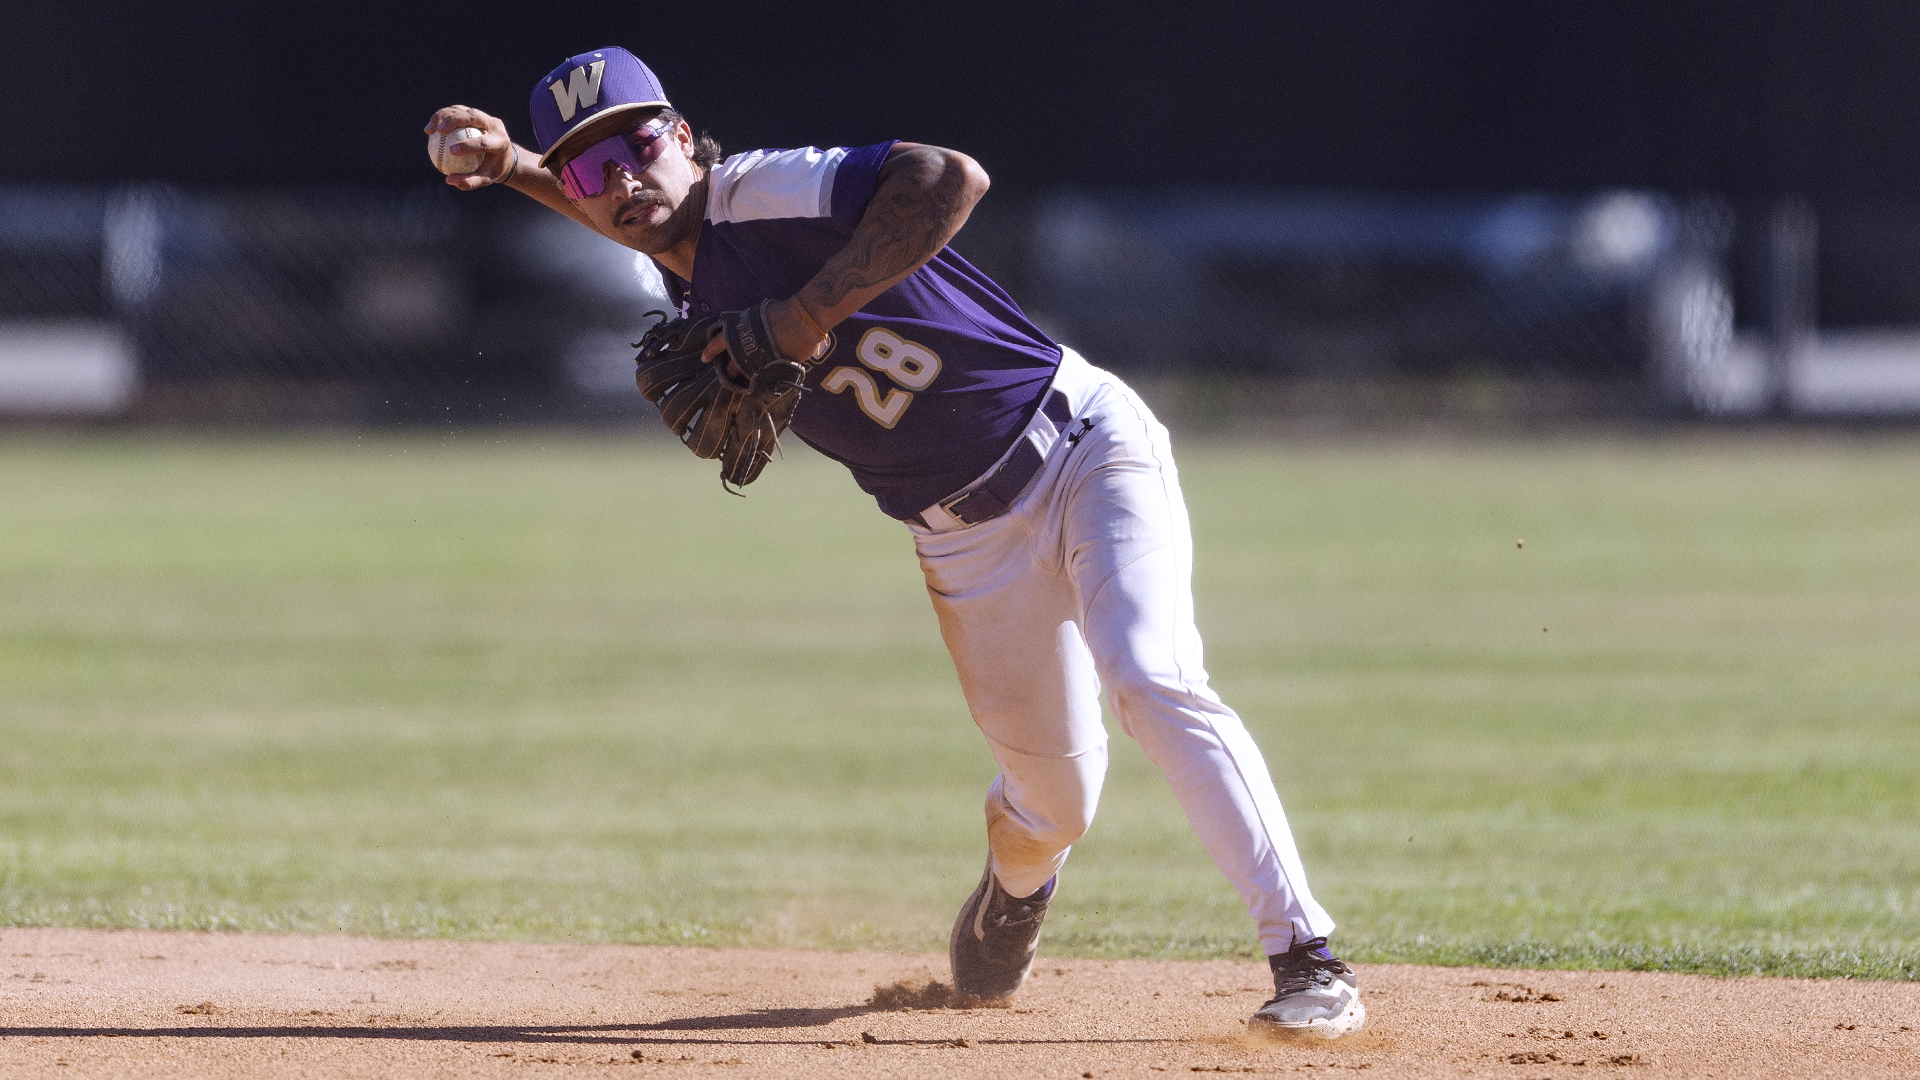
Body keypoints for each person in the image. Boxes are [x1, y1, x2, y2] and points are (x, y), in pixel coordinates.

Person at [425, 46, 1364, 1038]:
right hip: (962, 540)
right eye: (586, 167)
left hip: (1086, 445)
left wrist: (800, 315)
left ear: (688, 141)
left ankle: (1309, 958)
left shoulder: (757, 191)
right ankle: (1015, 889)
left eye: (639, 144)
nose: (621, 180)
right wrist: (512, 167)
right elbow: (636, 214)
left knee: (1149, 672)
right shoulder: (679, 269)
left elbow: (948, 178)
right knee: (1054, 803)